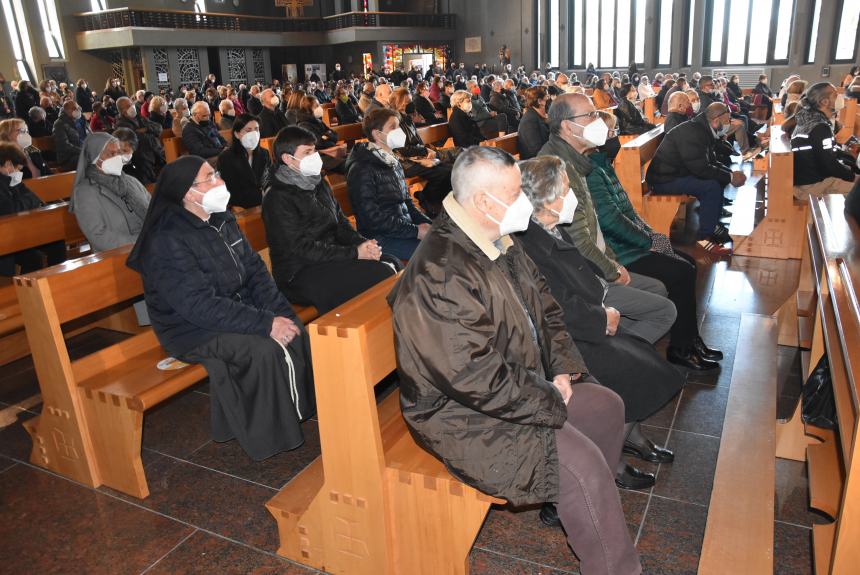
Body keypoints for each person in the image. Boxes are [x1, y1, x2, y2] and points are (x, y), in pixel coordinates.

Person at [388, 146, 643, 575]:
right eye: (514, 192)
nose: (524, 199)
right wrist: (549, 395)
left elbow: (545, 306)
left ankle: (564, 505)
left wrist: (561, 368)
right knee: (583, 469)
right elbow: (472, 376)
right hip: (460, 414)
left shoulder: (494, 237)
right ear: (484, 202)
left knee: (606, 407)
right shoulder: (441, 272)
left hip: (519, 386)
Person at [127, 154, 315, 461]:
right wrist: (265, 324)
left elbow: (256, 272)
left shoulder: (222, 219)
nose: (220, 182)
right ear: (188, 192)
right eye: (210, 178)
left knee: (295, 330)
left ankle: (298, 411)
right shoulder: (167, 239)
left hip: (229, 309)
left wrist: (280, 314)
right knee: (262, 348)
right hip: (190, 329)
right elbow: (197, 305)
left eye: (217, 174)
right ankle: (271, 436)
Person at [517, 155, 683, 468]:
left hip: (587, 315)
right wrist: (601, 316)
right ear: (544, 199)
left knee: (642, 357)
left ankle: (628, 433)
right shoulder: (528, 242)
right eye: (566, 190)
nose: (572, 197)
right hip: (566, 337)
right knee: (638, 367)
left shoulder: (549, 226)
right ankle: (613, 454)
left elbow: (577, 263)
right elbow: (555, 305)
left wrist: (602, 295)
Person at [586, 138, 724, 369]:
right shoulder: (592, 172)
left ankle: (690, 339)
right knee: (682, 272)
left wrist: (652, 234)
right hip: (620, 252)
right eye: (609, 130)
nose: (613, 136)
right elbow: (610, 220)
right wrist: (646, 241)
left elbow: (628, 210)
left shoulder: (603, 165)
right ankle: (681, 348)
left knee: (688, 262)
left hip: (631, 245)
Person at [538, 94, 678, 302]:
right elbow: (580, 239)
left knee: (667, 282)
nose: (598, 121)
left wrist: (615, 260)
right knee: (668, 292)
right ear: (568, 127)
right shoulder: (559, 168)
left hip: (602, 258)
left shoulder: (580, 160)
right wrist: (613, 268)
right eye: (591, 115)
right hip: (583, 274)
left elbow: (599, 226)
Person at [262, 126, 395, 313]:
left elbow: (340, 222)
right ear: (287, 159)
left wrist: (363, 244)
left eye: (314, 150)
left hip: (331, 257)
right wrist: (354, 253)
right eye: (307, 152)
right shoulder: (277, 197)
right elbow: (300, 248)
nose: (314, 156)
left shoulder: (318, 182)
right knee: (380, 273)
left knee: (390, 261)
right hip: (299, 272)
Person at [646, 102, 744, 254]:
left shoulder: (702, 129)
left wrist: (728, 174)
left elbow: (709, 161)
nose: (729, 124)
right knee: (710, 187)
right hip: (664, 180)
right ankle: (704, 236)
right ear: (716, 120)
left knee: (717, 180)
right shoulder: (693, 132)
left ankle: (713, 225)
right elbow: (700, 168)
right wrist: (730, 176)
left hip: (676, 173)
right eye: (727, 120)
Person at [345, 109, 432, 260]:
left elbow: (407, 202)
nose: (399, 131)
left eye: (399, 126)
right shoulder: (362, 168)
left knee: (444, 240)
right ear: (377, 134)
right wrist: (416, 231)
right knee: (435, 252)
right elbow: (372, 218)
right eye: (393, 127)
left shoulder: (391, 160)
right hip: (380, 237)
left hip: (404, 228)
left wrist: (428, 224)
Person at [68, 132, 150, 252]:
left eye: (119, 152)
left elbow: (153, 209)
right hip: (118, 255)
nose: (118, 157)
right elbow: (99, 236)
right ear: (95, 158)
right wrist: (141, 242)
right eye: (111, 154)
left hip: (149, 245)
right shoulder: (85, 192)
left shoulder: (131, 181)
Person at [0, 142, 65, 276]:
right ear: (7, 165)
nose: (19, 172)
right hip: (5, 239)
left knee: (56, 244)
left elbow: (35, 199)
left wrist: (30, 200)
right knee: (33, 258)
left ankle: (57, 281)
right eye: (18, 168)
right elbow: (11, 209)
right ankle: (26, 293)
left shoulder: (10, 180)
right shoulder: (4, 183)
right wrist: (29, 200)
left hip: (19, 232)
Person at [387, 87, 453, 217]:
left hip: (417, 157)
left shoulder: (407, 118)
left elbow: (416, 139)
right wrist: (423, 150)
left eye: (411, 101)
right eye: (407, 102)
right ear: (399, 104)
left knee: (450, 168)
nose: (411, 104)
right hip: (405, 163)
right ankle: (429, 202)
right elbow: (402, 150)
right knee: (442, 173)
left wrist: (426, 151)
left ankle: (433, 200)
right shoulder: (393, 121)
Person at [791, 82, 857, 200]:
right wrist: (853, 177)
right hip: (813, 185)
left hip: (808, 179)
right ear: (824, 102)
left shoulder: (808, 119)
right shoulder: (819, 127)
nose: (840, 98)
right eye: (835, 95)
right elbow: (828, 164)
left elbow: (827, 154)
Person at [216, 114, 271, 209]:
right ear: (237, 134)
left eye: (256, 129)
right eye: (248, 130)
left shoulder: (264, 153)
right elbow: (230, 190)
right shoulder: (226, 158)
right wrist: (261, 196)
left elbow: (269, 179)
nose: (254, 134)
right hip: (241, 205)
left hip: (264, 202)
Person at [115, 96, 165, 185]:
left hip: (155, 150)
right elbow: (136, 138)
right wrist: (151, 133)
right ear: (122, 111)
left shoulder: (140, 117)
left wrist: (146, 129)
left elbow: (158, 127)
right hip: (140, 154)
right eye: (128, 106)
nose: (132, 106)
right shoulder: (121, 124)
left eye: (131, 104)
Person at [54, 101, 88, 172]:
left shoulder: (80, 120)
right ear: (66, 110)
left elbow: (88, 135)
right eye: (74, 108)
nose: (77, 110)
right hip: (68, 158)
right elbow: (65, 146)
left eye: (78, 108)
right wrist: (82, 151)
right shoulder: (59, 124)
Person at [518, 86, 551, 160]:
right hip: (534, 163)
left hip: (546, 156)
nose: (549, 99)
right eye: (547, 97)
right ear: (539, 101)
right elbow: (536, 151)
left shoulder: (542, 115)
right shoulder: (529, 121)